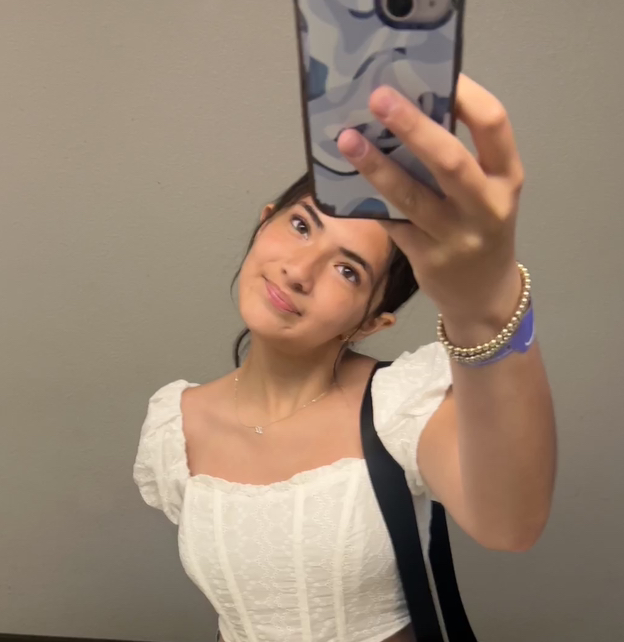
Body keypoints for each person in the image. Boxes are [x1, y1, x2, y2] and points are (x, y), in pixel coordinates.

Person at [134, 75, 557, 642]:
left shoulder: (400, 406)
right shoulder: (174, 424)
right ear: (264, 220)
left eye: (347, 270)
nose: (299, 270)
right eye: (301, 225)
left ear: (371, 322)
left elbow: (510, 525)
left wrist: (486, 306)